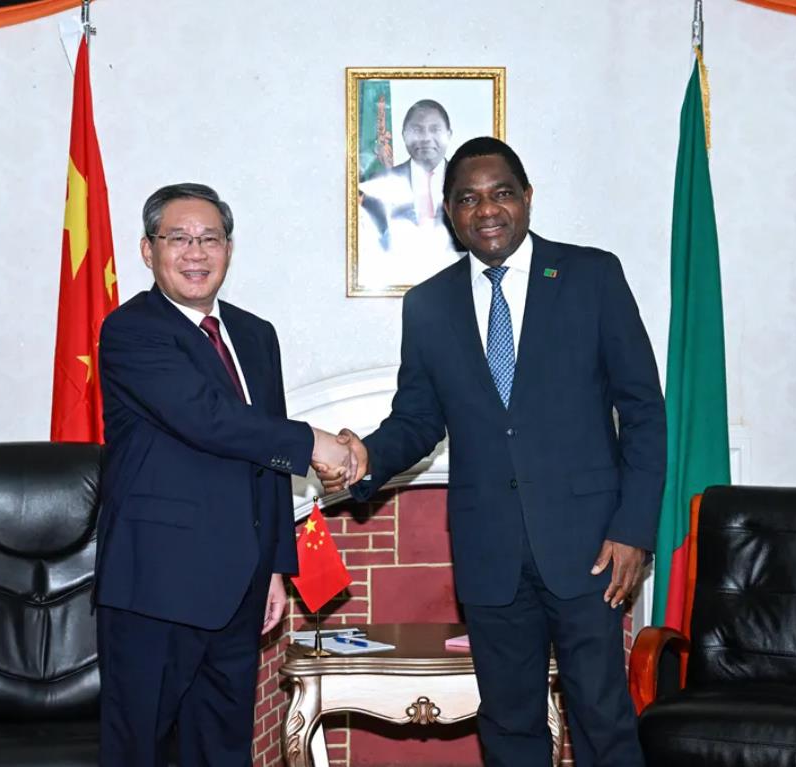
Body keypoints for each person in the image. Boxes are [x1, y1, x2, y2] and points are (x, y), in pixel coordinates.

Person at [321, 137, 666, 766]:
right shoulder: (429, 304)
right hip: (489, 551)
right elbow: (417, 420)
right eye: (468, 199)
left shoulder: (592, 277)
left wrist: (633, 529)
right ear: (449, 213)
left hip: (591, 546)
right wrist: (364, 457)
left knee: (603, 719)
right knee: (508, 726)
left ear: (527, 197)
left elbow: (643, 411)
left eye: (501, 193)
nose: (487, 210)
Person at [94, 183, 352, 767]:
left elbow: (267, 461)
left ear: (228, 250)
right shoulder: (131, 330)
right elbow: (208, 419)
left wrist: (276, 567)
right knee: (139, 749)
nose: (196, 253)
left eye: (210, 239)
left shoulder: (255, 335)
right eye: (178, 239)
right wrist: (314, 442)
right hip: (155, 585)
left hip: (240, 586)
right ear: (148, 250)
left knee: (222, 749)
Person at [358, 99, 460, 287]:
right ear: (404, 135)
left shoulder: (465, 181)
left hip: (455, 284)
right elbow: (370, 245)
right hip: (397, 282)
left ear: (449, 134)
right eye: (417, 130)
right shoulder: (380, 183)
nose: (426, 138)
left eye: (435, 129)